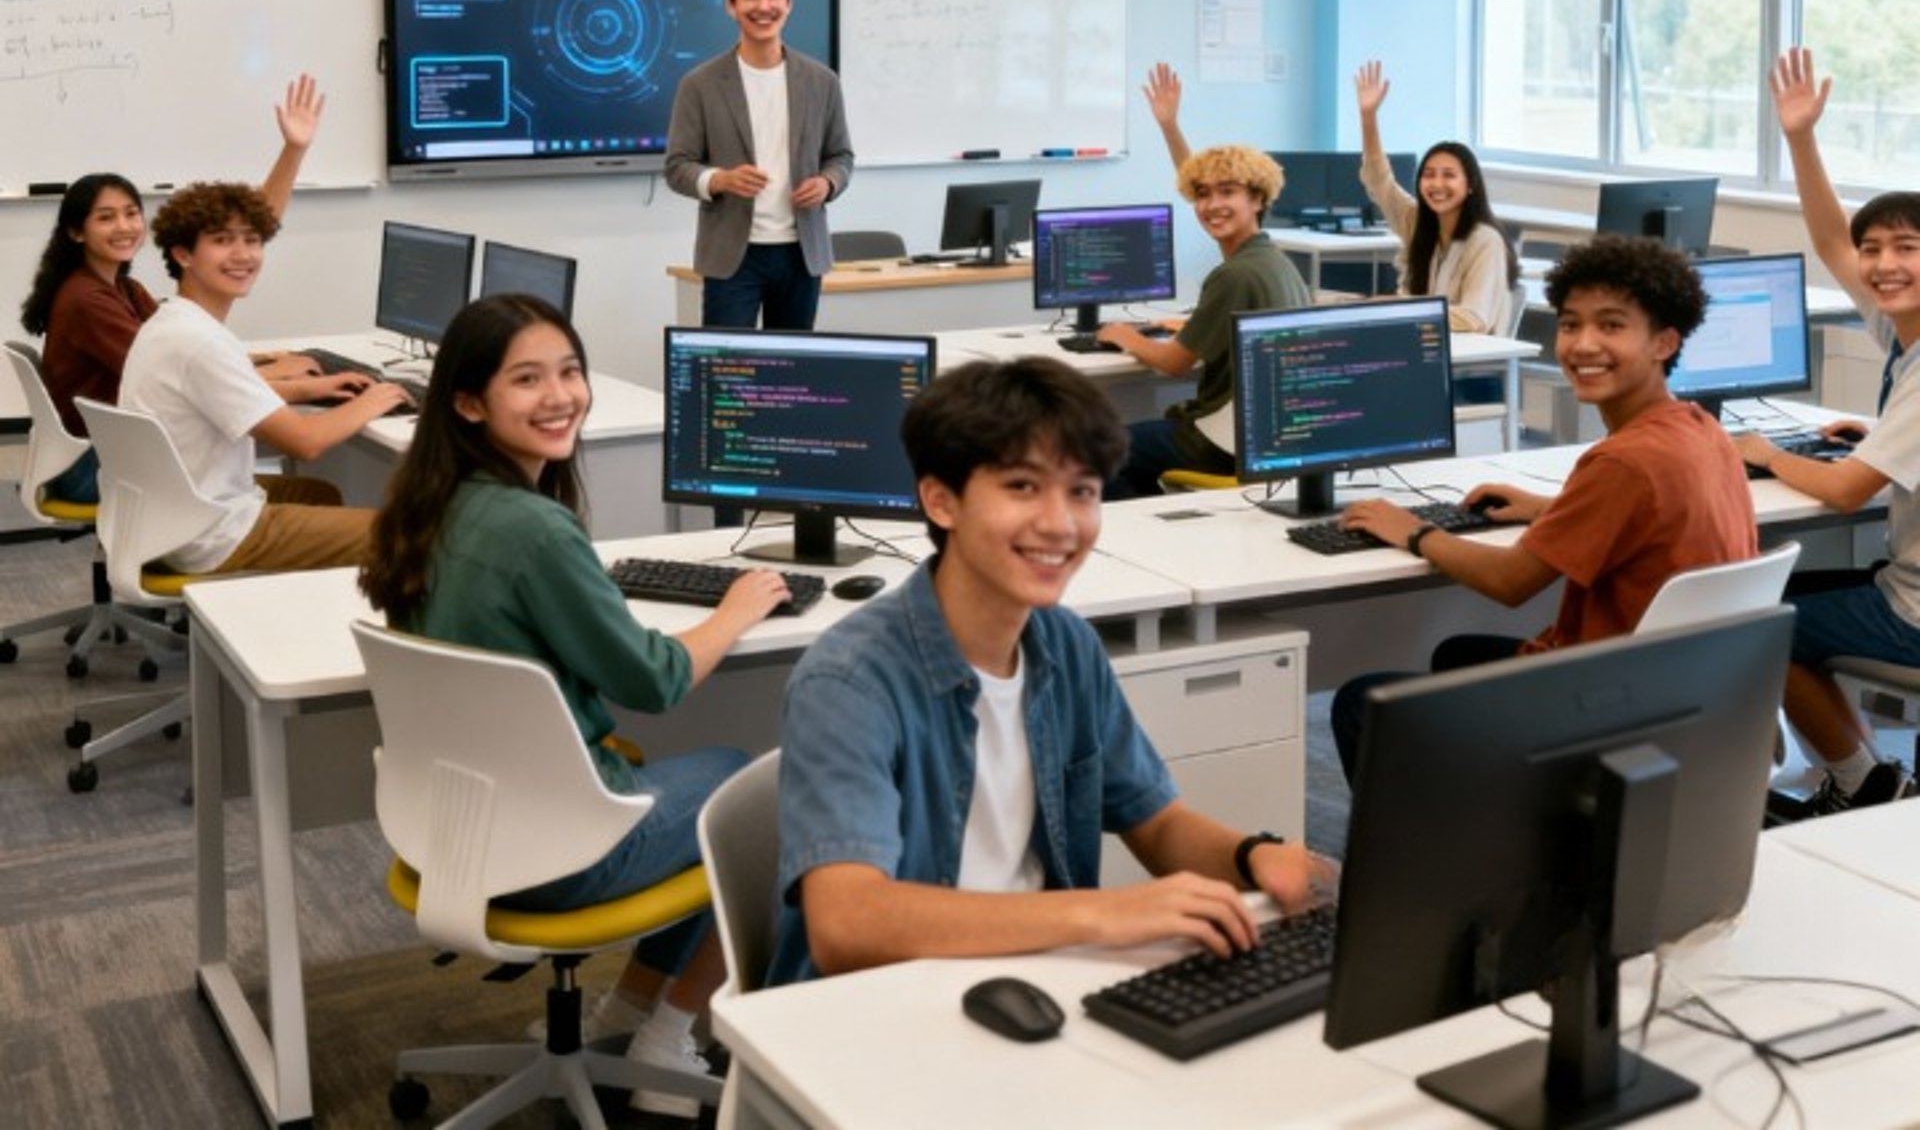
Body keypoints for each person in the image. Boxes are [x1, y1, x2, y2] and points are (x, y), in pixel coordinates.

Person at [767, 357, 1331, 985]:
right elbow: (848, 925)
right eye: (1022, 487)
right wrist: (1101, 912)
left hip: (1035, 980)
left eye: (1083, 491)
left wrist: (1253, 857)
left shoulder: (1064, 644)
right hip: (878, 1011)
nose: (1061, 524)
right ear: (940, 500)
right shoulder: (850, 681)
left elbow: (1158, 822)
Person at [360, 294, 790, 1113]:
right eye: (528, 379)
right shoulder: (533, 530)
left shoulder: (425, 504)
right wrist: (734, 612)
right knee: (766, 794)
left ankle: (626, 1011)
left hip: (452, 835)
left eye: (570, 371)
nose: (560, 396)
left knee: (708, 780)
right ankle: (668, 1037)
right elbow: (655, 683)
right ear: (468, 401)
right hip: (558, 852)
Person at [1329, 234, 1757, 783]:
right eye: (1570, 323)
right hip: (1680, 690)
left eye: (1611, 325)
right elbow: (1652, 512)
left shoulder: (1623, 463)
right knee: (1459, 652)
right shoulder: (1700, 429)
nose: (1582, 344)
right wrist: (1553, 509)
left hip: (1603, 699)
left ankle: (1443, 859)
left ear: (1664, 342)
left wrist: (1412, 531)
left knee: (1364, 702)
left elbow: (1511, 583)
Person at [1727, 48, 1920, 814]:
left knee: (1755, 616)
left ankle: (1857, 783)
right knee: (1785, 588)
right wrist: (1801, 139)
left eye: (1906, 248)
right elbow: (1832, 240)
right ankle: (1870, 773)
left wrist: (1766, 454)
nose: (1879, 264)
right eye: (1876, 249)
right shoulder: (1904, 329)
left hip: (1912, 610)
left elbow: (1844, 493)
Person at [18, 76, 333, 505]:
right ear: (76, 231)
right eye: (106, 218)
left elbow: (181, 353)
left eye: (131, 213)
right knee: (247, 452)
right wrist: (298, 385)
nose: (125, 226)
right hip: (94, 469)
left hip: (110, 456)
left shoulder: (122, 287)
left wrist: (267, 363)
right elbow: (186, 374)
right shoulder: (87, 300)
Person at [119, 181, 413, 573]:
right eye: (223, 241)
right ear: (183, 254)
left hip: (169, 517)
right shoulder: (200, 342)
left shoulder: (173, 321)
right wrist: (375, 400)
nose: (243, 255)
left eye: (253, 240)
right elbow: (305, 443)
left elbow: (226, 396)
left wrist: (312, 387)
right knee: (409, 535)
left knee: (318, 493)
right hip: (210, 535)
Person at [1097, 141, 1309, 499]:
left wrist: (1124, 335)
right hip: (1271, 438)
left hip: (1226, 443)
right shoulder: (1276, 263)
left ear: (1257, 200)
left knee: (1095, 452)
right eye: (1202, 194)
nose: (1212, 205)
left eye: (1227, 192)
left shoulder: (1236, 275)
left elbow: (1175, 362)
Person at [664, 0, 853, 331]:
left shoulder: (822, 81)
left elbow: (841, 155)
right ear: (731, 6)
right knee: (730, 372)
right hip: (733, 254)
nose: (763, 6)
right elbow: (677, 166)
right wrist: (720, 179)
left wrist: (827, 183)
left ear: (789, 3)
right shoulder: (700, 84)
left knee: (793, 374)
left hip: (802, 254)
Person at [1351, 60, 1518, 334]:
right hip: (1422, 351)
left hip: (1473, 367)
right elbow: (1379, 180)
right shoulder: (1417, 221)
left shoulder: (1485, 241)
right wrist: (1368, 118)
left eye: (1449, 175)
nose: (1437, 184)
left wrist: (1398, 309)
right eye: (1428, 174)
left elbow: (1473, 319)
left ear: (1471, 184)